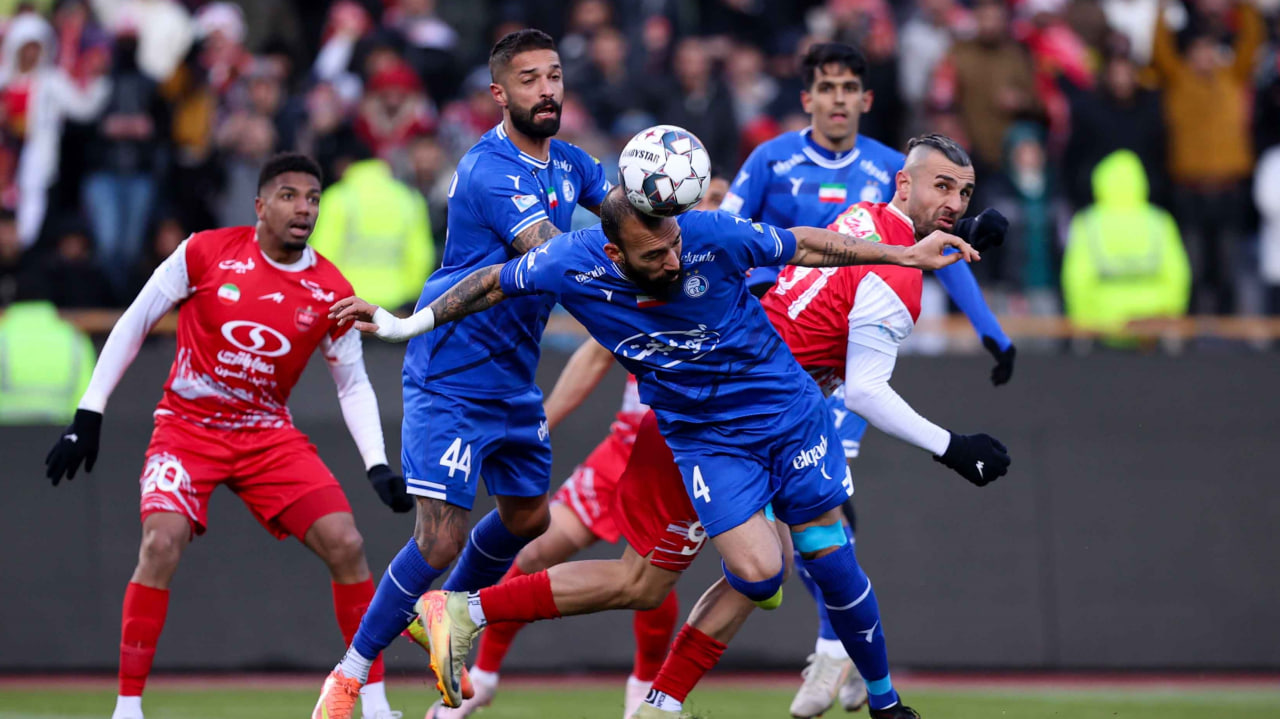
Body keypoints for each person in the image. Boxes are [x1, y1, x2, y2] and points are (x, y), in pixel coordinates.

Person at [331, 137, 1004, 719]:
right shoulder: (570, 263)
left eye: (675, 243)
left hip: (790, 416)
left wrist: (905, 256)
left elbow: (805, 242)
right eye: (654, 254)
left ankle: (852, 698)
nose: (674, 262)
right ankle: (486, 631)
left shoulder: (711, 236)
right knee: (679, 577)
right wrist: (405, 324)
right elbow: (491, 283)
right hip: (700, 440)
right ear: (614, 252)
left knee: (797, 564)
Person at [42, 154, 411, 719]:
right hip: (186, 428)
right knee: (160, 543)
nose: (304, 209)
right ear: (259, 206)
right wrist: (89, 413)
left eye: (313, 198)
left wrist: (377, 465)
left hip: (266, 435)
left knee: (347, 543)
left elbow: (353, 383)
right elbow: (136, 320)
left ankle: (376, 703)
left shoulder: (331, 288)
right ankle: (127, 707)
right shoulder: (205, 252)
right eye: (289, 196)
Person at [312, 29, 609, 719]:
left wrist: (676, 220)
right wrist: (631, 262)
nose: (548, 90)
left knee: (529, 517)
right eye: (530, 80)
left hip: (513, 375)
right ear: (499, 94)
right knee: (440, 536)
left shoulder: (570, 162)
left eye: (554, 75)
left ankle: (446, 611)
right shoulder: (489, 169)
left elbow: (623, 206)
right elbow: (549, 251)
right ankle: (348, 677)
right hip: (454, 370)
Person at [721, 42, 1014, 716]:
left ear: (866, 98)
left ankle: (855, 672)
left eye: (964, 193)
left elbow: (903, 242)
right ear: (808, 97)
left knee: (823, 539)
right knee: (734, 572)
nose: (839, 98)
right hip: (750, 397)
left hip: (784, 384)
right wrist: (953, 447)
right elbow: (868, 385)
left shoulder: (872, 204)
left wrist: (988, 319)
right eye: (827, 86)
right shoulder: (774, 161)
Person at [425, 175, 730, 719]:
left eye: (716, 201)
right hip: (628, 447)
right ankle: (484, 675)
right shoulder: (639, 270)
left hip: (688, 449)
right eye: (696, 202)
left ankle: (645, 692)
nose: (700, 211)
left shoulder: (729, 274)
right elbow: (592, 354)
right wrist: (542, 422)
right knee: (539, 551)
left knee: (653, 582)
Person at [0, 269, 95, 424]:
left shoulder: (3, 335)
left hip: (5, 432)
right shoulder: (75, 338)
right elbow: (87, 399)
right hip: (60, 429)